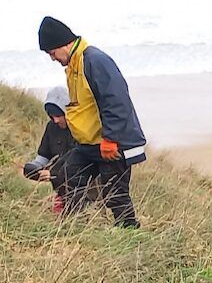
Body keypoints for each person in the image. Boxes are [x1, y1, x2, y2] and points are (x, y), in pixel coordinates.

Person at [39, 16, 145, 228]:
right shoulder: (73, 65)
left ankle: (130, 234)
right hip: (90, 143)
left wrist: (110, 139)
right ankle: (76, 226)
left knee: (115, 193)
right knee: (69, 175)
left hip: (112, 143)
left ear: (64, 44)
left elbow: (116, 100)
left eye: (52, 53)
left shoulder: (95, 60)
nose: (53, 59)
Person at [22, 86, 75, 210]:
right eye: (51, 116)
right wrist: (34, 168)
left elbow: (77, 161)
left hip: (80, 183)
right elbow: (44, 156)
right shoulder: (51, 127)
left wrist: (53, 173)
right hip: (59, 185)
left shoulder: (80, 130)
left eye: (58, 115)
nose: (55, 120)